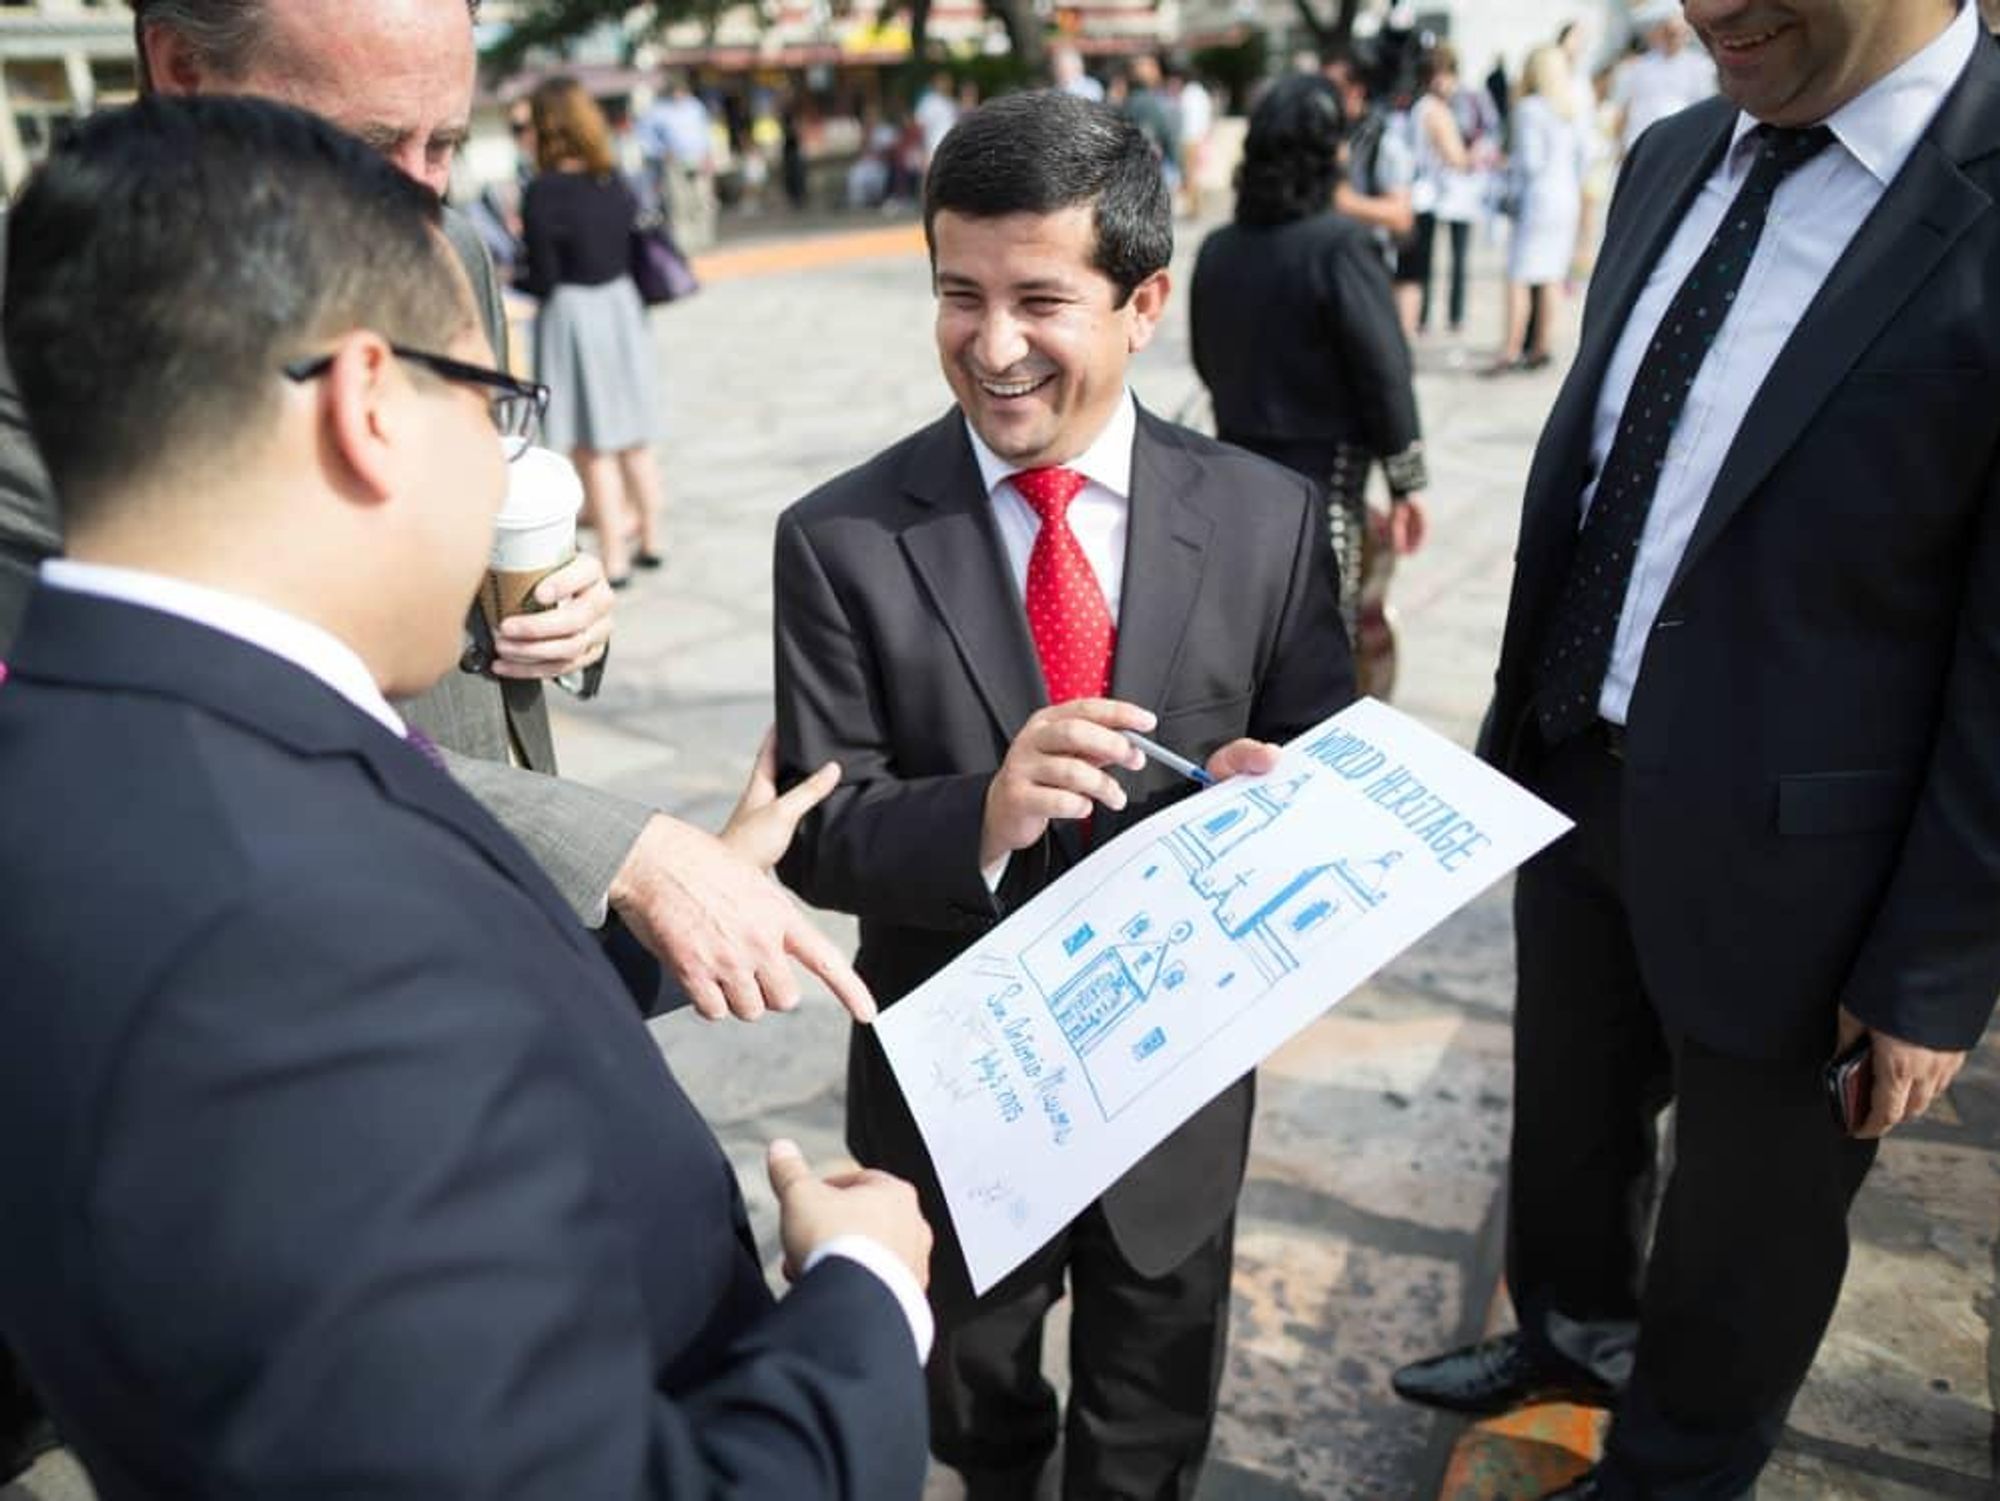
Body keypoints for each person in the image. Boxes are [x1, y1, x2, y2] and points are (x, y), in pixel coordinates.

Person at [0, 92, 933, 1501]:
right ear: (373, 403)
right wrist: (865, 1302)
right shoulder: (270, 925)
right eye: (493, 403)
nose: (505, 461)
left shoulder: (125, 730)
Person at [1392, 3, 2000, 1498]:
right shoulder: (1675, 153)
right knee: (1571, 1125)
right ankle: (1567, 1336)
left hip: (1813, 869)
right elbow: (1613, 464)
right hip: (1576, 769)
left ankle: (1671, 1468)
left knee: (1747, 1231)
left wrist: (1933, 966)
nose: (1704, 7)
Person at [771, 91, 1351, 1500]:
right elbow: (818, 833)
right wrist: (981, 811)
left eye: (1041, 298)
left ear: (1145, 300)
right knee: (970, 1410)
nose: (994, 343)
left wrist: (1281, 797)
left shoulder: (1267, 520)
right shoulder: (842, 539)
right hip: (954, 1104)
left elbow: (1328, 760)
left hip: (1176, 1096)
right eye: (957, 295)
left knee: (1151, 1417)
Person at [1189, 75, 1430, 686]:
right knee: (1323, 651)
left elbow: (1206, 359)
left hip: (1232, 477)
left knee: (1250, 647)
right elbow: (1383, 371)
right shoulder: (1342, 248)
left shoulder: (1218, 249)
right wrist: (1407, 482)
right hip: (1322, 489)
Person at [521, 77, 668, 587]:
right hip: (622, 309)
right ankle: (651, 536)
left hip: (575, 317)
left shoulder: (541, 192)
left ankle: (614, 554)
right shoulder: (614, 181)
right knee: (634, 437)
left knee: (594, 443)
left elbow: (543, 276)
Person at [1489, 45, 1588, 374]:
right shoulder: (1570, 107)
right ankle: (1541, 346)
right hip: (1566, 195)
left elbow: (1530, 162)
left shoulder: (1529, 108)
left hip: (1538, 197)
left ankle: (1511, 347)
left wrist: (1505, 165)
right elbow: (1583, 157)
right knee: (1550, 276)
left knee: (1518, 274)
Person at [1398, 44, 1477, 338]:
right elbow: (1455, 158)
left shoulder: (1418, 107)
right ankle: (1431, 318)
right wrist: (1477, 158)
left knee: (1422, 264)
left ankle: (1423, 317)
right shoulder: (1435, 110)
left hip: (1423, 193)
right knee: (1431, 265)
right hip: (1433, 195)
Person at [1610, 4, 1717, 158]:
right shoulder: (1635, 68)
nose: (1673, 36)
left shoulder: (1701, 67)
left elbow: (1707, 112)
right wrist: (1618, 147)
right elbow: (1621, 111)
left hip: (1681, 148)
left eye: (1677, 32)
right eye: (1668, 31)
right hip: (1638, 147)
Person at [638, 74, 718, 251]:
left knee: (702, 199)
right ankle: (684, 243)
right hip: (675, 162)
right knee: (679, 203)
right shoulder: (658, 110)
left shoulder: (694, 106)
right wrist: (661, 152)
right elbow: (645, 138)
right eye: (675, 92)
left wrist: (709, 156)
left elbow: (706, 132)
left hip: (698, 158)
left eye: (681, 92)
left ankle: (705, 240)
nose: (678, 95)